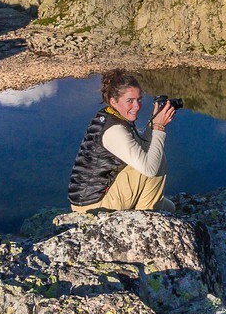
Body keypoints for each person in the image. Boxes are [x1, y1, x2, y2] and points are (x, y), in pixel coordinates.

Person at [67, 69, 178, 212]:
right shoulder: (114, 130)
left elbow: (141, 144)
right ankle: (144, 218)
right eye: (129, 101)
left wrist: (153, 121)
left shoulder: (109, 116)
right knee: (157, 160)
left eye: (139, 99)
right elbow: (150, 169)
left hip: (92, 197)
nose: (137, 106)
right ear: (114, 101)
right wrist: (158, 127)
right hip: (94, 204)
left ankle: (147, 209)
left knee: (169, 207)